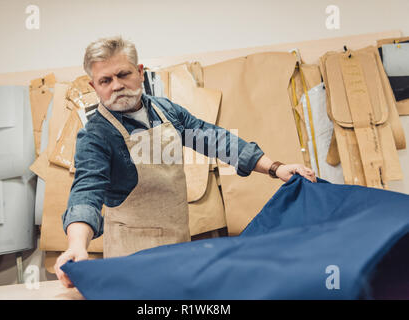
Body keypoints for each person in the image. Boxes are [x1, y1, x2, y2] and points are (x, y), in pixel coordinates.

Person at [54, 36, 316, 288]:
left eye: (123, 74)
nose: (116, 86)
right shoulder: (96, 135)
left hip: (177, 244)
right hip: (131, 258)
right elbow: (86, 191)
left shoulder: (166, 111)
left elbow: (214, 139)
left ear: (140, 72)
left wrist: (275, 167)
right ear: (94, 87)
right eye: (105, 80)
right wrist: (77, 245)